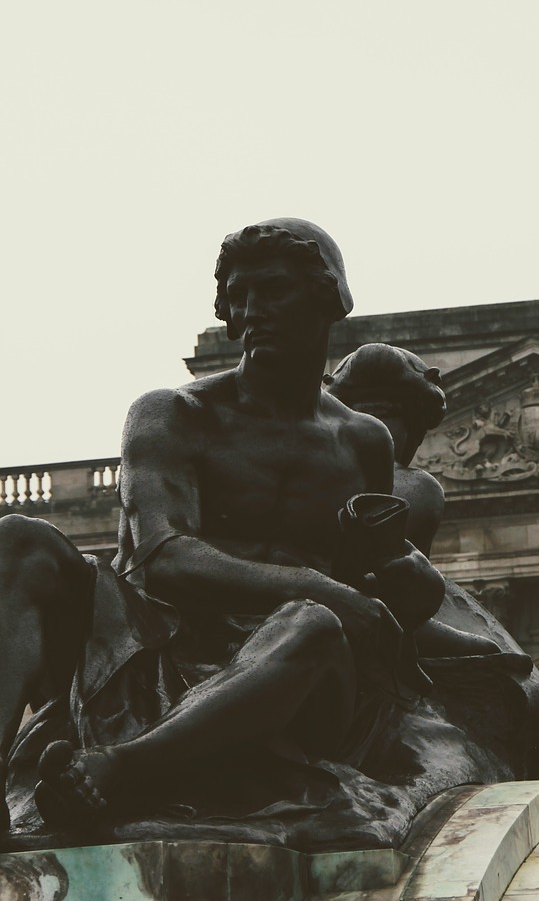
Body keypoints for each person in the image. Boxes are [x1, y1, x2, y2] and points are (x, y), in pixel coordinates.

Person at [0, 219, 445, 840]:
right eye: (240, 296)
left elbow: (381, 580)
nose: (251, 310)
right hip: (158, 644)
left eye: (273, 291)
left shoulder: (362, 441)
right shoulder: (173, 414)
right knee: (19, 539)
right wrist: (324, 584)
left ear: (329, 299)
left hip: (296, 675)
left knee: (312, 623)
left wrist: (398, 574)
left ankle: (117, 771)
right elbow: (162, 558)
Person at [325, 342, 539, 797]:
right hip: (375, 640)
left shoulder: (301, 473)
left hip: (336, 631)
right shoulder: (413, 487)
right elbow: (404, 613)